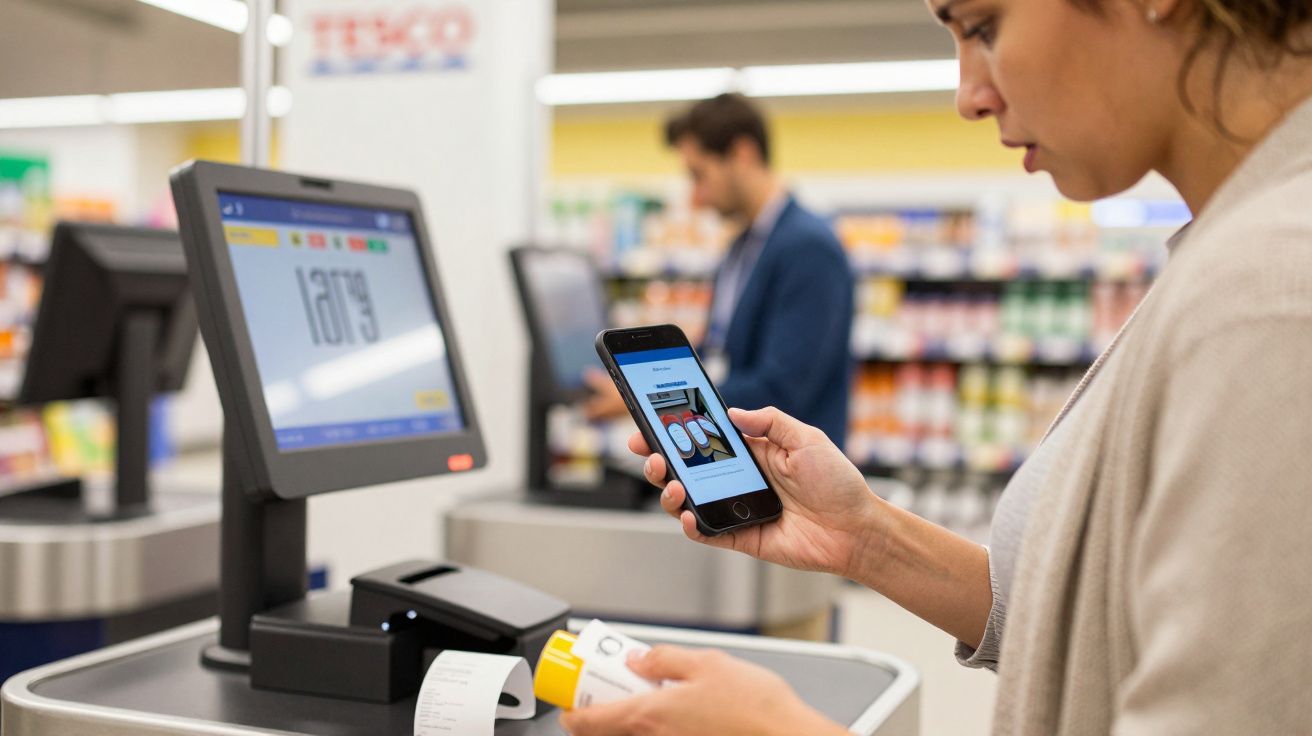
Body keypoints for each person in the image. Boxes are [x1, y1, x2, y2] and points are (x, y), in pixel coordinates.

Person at [562, 0, 1312, 734]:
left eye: (984, 26)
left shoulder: (1270, 295)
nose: (967, 97)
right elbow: (1088, 628)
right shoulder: (1232, 255)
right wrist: (866, 536)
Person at [584, 93, 855, 448]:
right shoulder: (743, 246)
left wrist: (651, 403)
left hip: (796, 473)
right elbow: (720, 350)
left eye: (700, 175)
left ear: (742, 154)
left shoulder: (809, 247)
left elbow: (782, 387)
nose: (696, 197)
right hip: (741, 457)